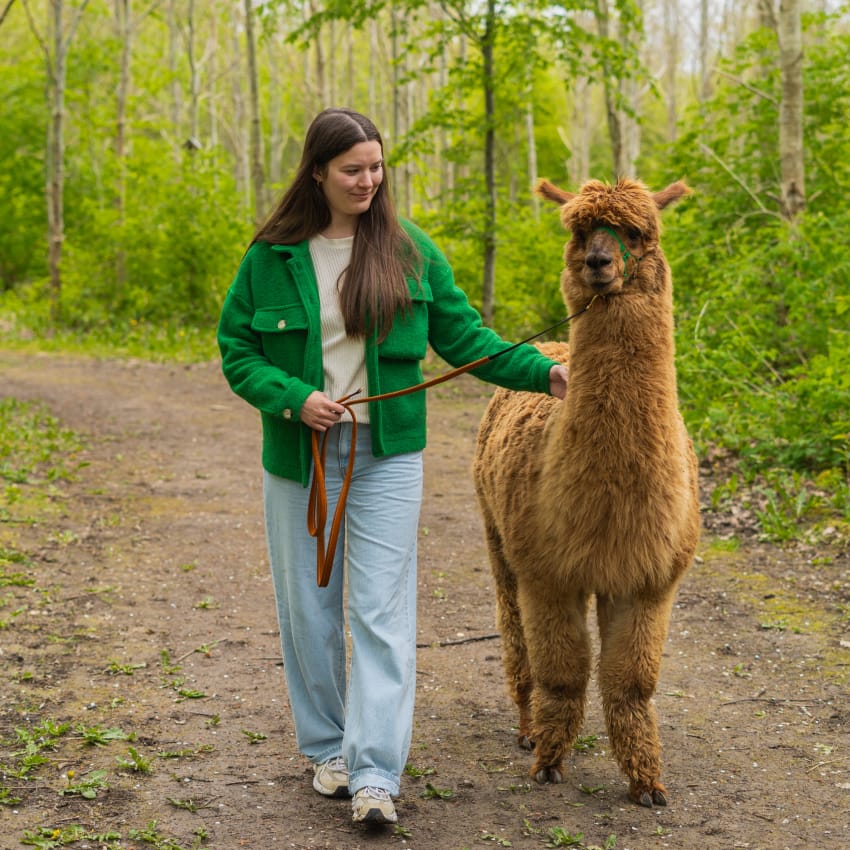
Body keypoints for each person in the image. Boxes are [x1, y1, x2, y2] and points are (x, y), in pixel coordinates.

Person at [217, 107, 568, 826]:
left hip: (387, 460)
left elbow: (466, 336)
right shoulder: (271, 256)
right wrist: (293, 398)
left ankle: (376, 773)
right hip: (301, 459)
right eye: (352, 170)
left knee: (380, 613)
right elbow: (237, 352)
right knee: (308, 613)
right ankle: (328, 752)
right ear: (317, 172)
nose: (368, 181)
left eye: (376, 168)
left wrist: (544, 373)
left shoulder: (410, 250)